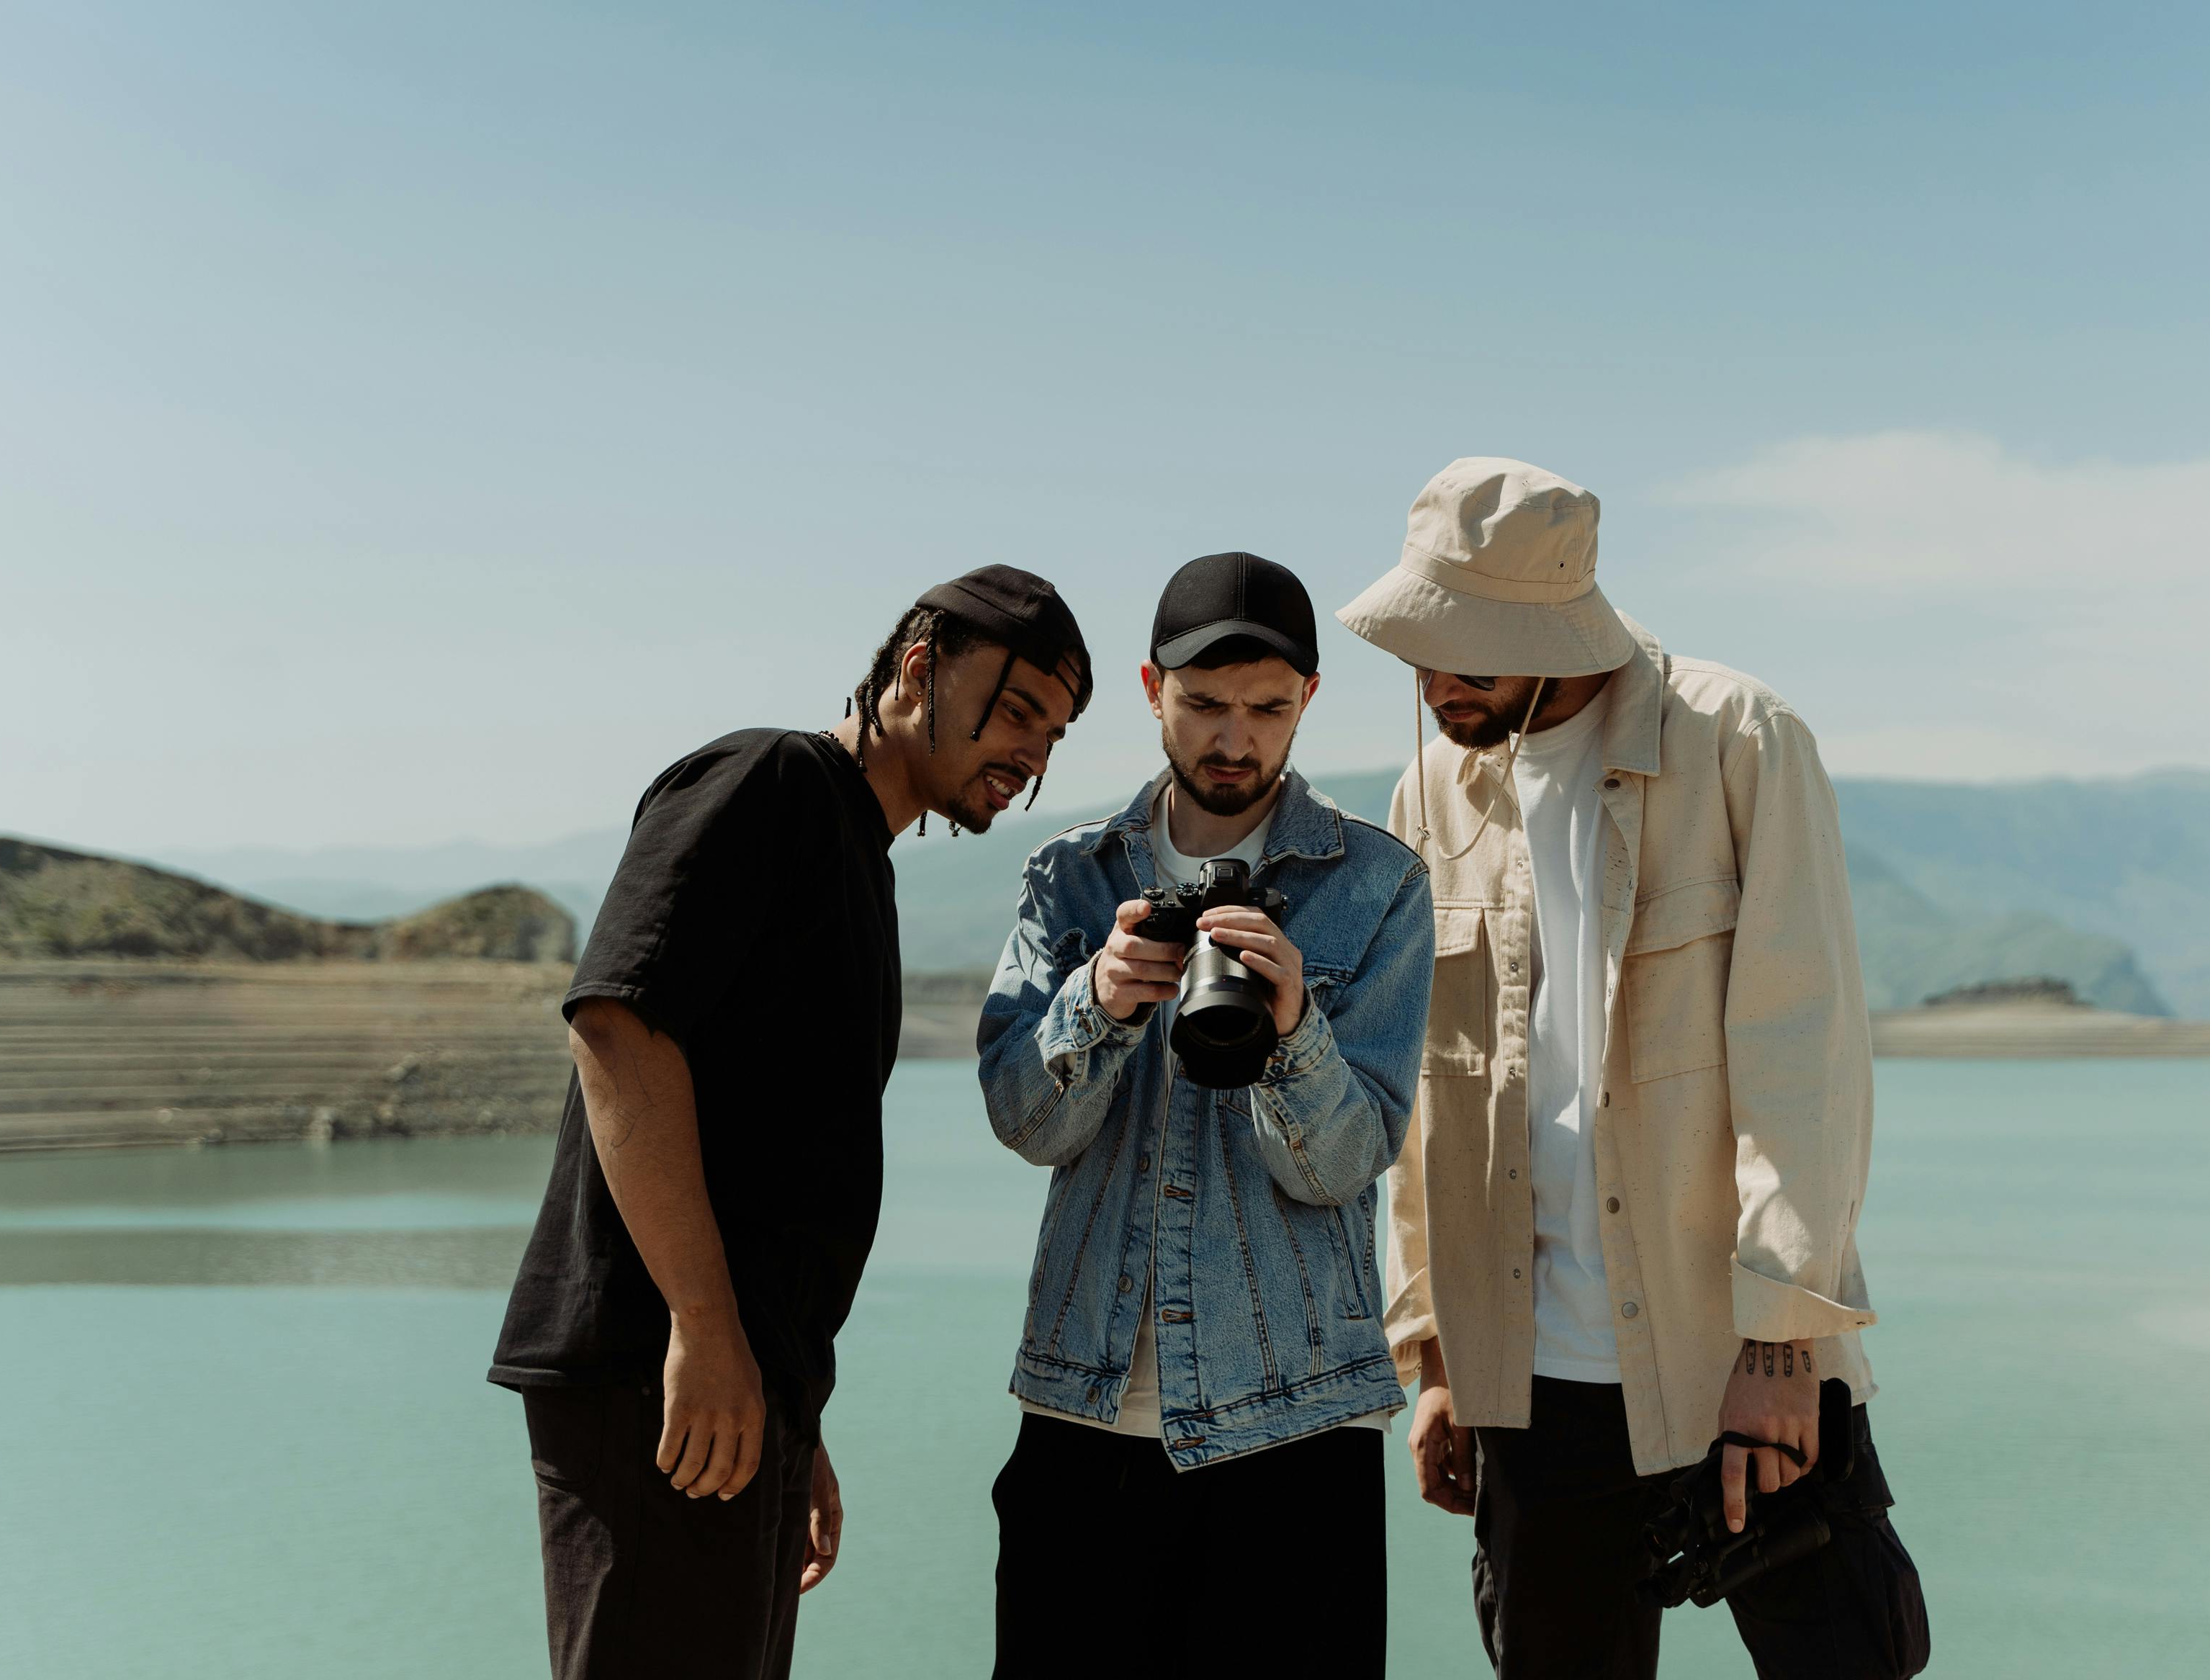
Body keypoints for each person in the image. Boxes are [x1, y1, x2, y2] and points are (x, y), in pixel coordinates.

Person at [1335, 459, 1930, 1679]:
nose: (1435, 680)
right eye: (1420, 649)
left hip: (1734, 1357)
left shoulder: (1736, 740)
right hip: (1533, 1383)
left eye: (1468, 650)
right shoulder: (1428, 788)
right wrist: (1434, 1354)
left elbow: (1802, 1056)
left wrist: (1779, 1346)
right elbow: (1425, 1098)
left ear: (1553, 633)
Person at [487, 566, 1093, 1680]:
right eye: (1015, 712)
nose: (1032, 757)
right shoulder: (767, 779)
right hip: (650, 1385)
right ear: (920, 663)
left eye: (1053, 735)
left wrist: (785, 1403)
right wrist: (705, 1331)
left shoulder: (857, 853)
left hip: (731, 1394)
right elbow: (618, 1024)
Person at [976, 552, 1434, 1680]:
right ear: (1150, 689)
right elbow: (1026, 1123)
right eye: (1207, 706)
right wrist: (1099, 999)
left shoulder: (1379, 887)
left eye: (1268, 710)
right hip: (1083, 1423)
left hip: (1294, 1432)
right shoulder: (1070, 878)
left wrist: (1293, 1031)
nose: (1237, 739)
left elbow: (1346, 1163)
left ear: (1309, 703)